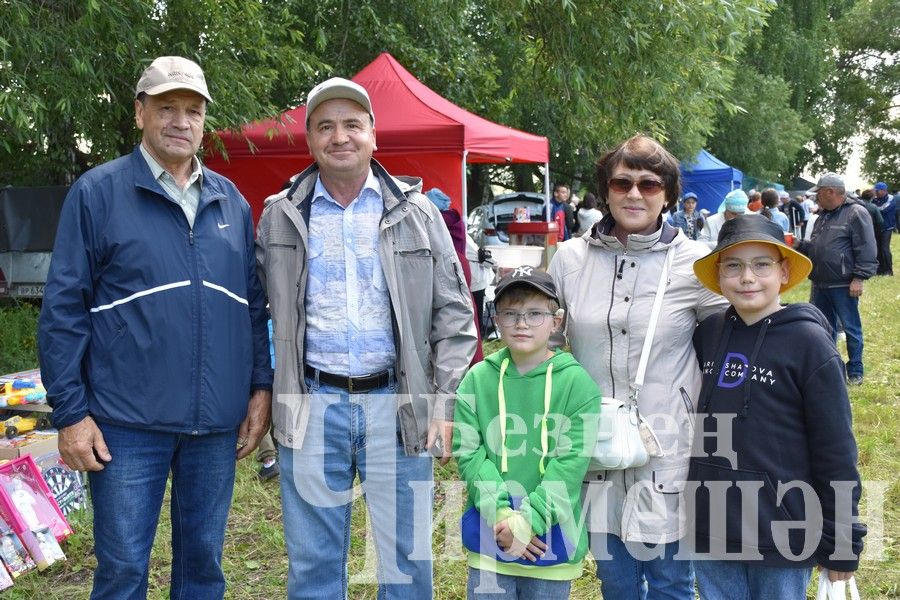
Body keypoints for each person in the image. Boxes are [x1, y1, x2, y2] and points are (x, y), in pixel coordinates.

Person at [38, 56, 273, 599]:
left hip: (214, 426)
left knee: (203, 569)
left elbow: (253, 307)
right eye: (166, 108)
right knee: (121, 569)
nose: (180, 121)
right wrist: (71, 413)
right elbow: (64, 310)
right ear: (140, 113)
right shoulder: (97, 194)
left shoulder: (231, 203)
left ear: (204, 122)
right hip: (126, 424)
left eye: (193, 110)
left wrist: (260, 388)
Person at [255, 77, 478, 599]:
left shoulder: (418, 213)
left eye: (352, 125)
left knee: (405, 562)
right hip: (311, 405)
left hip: (397, 405)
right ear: (309, 140)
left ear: (374, 134)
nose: (340, 137)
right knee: (312, 566)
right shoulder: (279, 215)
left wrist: (444, 403)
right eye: (325, 126)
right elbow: (255, 315)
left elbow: (455, 317)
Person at [548, 135, 728, 599]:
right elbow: (545, 347)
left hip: (668, 441)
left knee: (670, 580)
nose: (634, 194)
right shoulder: (569, 259)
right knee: (616, 580)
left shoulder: (697, 264)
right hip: (593, 444)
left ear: (667, 194)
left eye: (648, 184)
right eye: (622, 182)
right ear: (605, 190)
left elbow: (729, 346)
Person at [689, 215, 866, 598]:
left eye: (761, 264)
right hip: (712, 523)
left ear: (784, 271)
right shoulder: (709, 333)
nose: (747, 277)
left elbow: (835, 448)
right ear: (719, 276)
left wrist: (842, 540)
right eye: (733, 266)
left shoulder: (809, 343)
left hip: (784, 530)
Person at [453, 267, 600, 599]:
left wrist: (528, 523)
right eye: (511, 313)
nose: (522, 323)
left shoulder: (578, 385)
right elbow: (469, 453)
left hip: (552, 539)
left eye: (535, 313)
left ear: (556, 321)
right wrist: (504, 518)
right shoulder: (476, 380)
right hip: (492, 535)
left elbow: (570, 464)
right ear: (496, 319)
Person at [795, 172, 877, 385]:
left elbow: (866, 247)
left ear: (830, 192)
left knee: (850, 328)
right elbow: (817, 246)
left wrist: (859, 277)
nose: (816, 198)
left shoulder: (855, 212)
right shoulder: (823, 215)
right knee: (823, 329)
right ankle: (829, 370)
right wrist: (799, 246)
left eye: (818, 193)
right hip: (820, 282)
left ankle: (856, 372)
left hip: (843, 284)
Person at [873, 182, 895, 275]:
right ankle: (880, 269)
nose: (876, 193)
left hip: (887, 227)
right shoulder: (875, 199)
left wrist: (873, 208)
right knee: (877, 248)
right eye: (875, 191)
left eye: (877, 191)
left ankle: (888, 270)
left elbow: (883, 209)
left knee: (885, 249)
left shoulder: (891, 198)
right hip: (877, 227)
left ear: (884, 191)